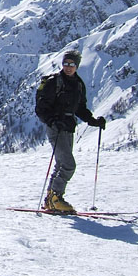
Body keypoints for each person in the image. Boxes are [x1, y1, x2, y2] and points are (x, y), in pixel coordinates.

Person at [35, 50, 106, 213]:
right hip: (56, 128)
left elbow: (80, 108)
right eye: (66, 63)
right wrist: (53, 120)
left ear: (77, 66)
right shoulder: (54, 82)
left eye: (71, 64)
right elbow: (41, 108)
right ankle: (56, 198)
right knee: (68, 164)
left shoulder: (78, 84)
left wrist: (93, 121)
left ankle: (51, 199)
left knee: (61, 163)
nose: (68, 67)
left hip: (68, 127)